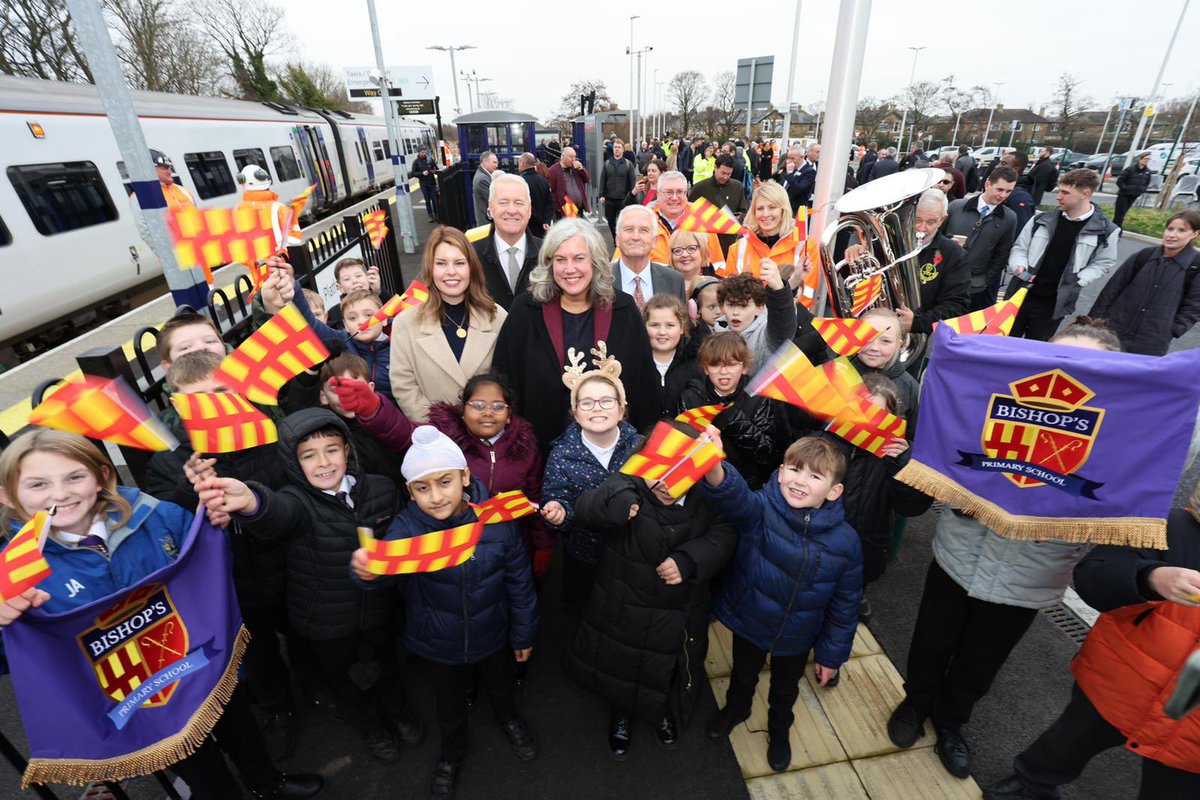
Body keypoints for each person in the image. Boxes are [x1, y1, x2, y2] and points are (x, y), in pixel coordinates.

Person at [0, 430, 324, 800]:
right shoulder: (12, 573)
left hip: (200, 662)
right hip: (137, 696)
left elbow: (209, 574)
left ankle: (268, 783)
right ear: (8, 495)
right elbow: (19, 660)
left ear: (102, 475)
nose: (60, 494)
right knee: (198, 766)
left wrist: (214, 530)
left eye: (75, 476)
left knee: (239, 724)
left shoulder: (155, 515)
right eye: (38, 484)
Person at [886, 319, 1123, 781]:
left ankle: (950, 722)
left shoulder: (1115, 439)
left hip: (1031, 575)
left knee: (981, 660)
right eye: (1059, 356)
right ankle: (914, 704)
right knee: (932, 640)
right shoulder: (1001, 403)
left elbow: (1113, 512)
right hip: (959, 555)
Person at [197, 409, 422, 765]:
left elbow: (401, 542)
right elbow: (275, 513)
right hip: (325, 621)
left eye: (331, 450)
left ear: (347, 450)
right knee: (346, 681)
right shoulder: (296, 501)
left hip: (379, 608)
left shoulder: (380, 489)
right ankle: (371, 725)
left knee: (387, 664)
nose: (323, 463)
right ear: (292, 461)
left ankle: (399, 711)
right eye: (308, 455)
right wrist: (252, 501)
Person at [349, 426, 539, 799]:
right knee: (449, 707)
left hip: (493, 632)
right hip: (439, 642)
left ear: (465, 477)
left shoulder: (497, 522)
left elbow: (520, 583)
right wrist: (368, 572)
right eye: (422, 487)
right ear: (410, 491)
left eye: (445, 482)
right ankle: (452, 753)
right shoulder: (407, 529)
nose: (435, 497)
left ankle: (509, 718)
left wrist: (524, 634)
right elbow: (383, 572)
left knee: (501, 687)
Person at [982, 483, 1200, 800]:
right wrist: (1149, 577)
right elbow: (1093, 577)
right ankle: (1031, 782)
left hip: (1191, 732)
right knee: (1069, 739)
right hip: (1119, 683)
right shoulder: (1172, 527)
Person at [145, 352, 304, 756]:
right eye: (198, 401)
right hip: (230, 586)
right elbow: (166, 531)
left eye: (220, 394)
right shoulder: (169, 461)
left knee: (304, 636)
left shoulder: (266, 434)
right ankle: (279, 709)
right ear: (178, 404)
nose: (212, 408)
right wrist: (188, 491)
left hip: (286, 566)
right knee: (258, 653)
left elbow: (294, 495)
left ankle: (318, 687)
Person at [562, 425, 736, 759]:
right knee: (619, 664)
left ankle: (660, 711)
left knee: (666, 668)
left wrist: (689, 559)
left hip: (679, 611)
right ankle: (621, 714)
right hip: (623, 604)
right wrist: (615, 504)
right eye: (661, 472)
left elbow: (724, 536)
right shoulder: (629, 485)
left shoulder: (708, 500)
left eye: (682, 473)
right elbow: (588, 507)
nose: (668, 484)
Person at [703, 434, 862, 773]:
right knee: (743, 672)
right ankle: (737, 708)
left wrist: (831, 655)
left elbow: (845, 605)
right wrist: (713, 463)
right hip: (752, 619)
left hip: (798, 635)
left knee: (785, 688)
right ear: (779, 472)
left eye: (815, 476)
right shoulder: (761, 509)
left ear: (834, 491)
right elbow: (734, 498)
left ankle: (779, 729)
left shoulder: (846, 542)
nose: (800, 481)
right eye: (794, 469)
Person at [493, 219, 660, 451]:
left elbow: (646, 385)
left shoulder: (624, 309)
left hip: (617, 454)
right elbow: (504, 380)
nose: (569, 269)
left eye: (579, 258)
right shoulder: (525, 310)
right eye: (560, 260)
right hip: (540, 451)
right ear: (549, 264)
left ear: (595, 262)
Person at [541, 350, 643, 608]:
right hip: (584, 556)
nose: (597, 408)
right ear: (575, 413)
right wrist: (559, 511)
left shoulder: (641, 448)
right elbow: (557, 496)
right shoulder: (562, 454)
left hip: (634, 555)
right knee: (583, 614)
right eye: (586, 403)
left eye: (606, 401)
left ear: (621, 410)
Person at [389, 226, 506, 422]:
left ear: (471, 268)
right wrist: (441, 429)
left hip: (490, 434)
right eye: (441, 263)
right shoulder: (405, 323)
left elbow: (510, 379)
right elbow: (404, 386)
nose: (451, 272)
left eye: (459, 263)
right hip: (436, 439)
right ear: (430, 268)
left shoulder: (497, 317)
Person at [1008, 168, 1119, 341]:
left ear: (1085, 194)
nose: (1058, 196)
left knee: (1036, 352)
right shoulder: (1041, 220)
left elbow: (1103, 263)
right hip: (1020, 295)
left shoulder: (1106, 231)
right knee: (1002, 344)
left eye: (1065, 192)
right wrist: (1019, 266)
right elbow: (1020, 248)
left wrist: (1079, 279)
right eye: (1060, 190)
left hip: (1055, 305)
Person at [678, 333, 790, 490]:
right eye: (715, 365)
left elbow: (768, 454)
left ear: (744, 367)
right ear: (705, 368)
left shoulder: (758, 396)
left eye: (731, 364)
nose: (723, 372)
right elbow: (682, 448)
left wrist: (734, 420)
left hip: (748, 486)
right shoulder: (691, 398)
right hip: (704, 486)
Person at [1088, 209, 1200, 355]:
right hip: (1113, 332)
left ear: (1194, 234)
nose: (1172, 235)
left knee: (1135, 376)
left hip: (1151, 342)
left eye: (1181, 230)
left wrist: (1171, 330)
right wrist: (1093, 321)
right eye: (1170, 229)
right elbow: (1112, 290)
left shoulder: (1195, 266)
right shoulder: (1143, 256)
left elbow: (1194, 306)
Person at [945, 166, 1019, 309]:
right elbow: (937, 236)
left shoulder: (1009, 218)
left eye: (1008, 191)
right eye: (1000, 189)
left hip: (975, 287)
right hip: (946, 279)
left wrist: (985, 281)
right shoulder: (956, 207)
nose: (1003, 195)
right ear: (987, 185)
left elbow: (1002, 254)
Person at [472, 173, 542, 310]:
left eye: (519, 203)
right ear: (490, 208)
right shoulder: (470, 255)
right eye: (503, 203)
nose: (511, 210)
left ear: (529, 210)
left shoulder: (549, 254)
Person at [713, 266, 798, 377]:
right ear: (721, 307)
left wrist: (779, 290)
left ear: (760, 308)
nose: (735, 312)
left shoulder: (767, 336)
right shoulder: (714, 333)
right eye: (730, 305)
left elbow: (782, 324)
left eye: (743, 306)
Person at [849, 308, 921, 431]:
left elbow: (917, 433)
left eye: (885, 341)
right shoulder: (836, 371)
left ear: (899, 345)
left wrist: (906, 449)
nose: (874, 347)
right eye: (868, 337)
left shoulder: (909, 386)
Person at [612, 204, 686, 310]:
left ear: (655, 241)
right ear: (617, 239)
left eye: (644, 230)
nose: (636, 237)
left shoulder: (674, 281)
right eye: (629, 229)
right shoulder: (600, 280)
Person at [644, 294, 705, 417]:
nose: (662, 332)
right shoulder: (635, 364)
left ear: (682, 327)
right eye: (655, 325)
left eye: (670, 325)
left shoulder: (697, 364)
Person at [129, 149, 197, 250]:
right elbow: (146, 232)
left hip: (199, 252)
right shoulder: (142, 196)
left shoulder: (182, 190)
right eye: (164, 168)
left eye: (170, 167)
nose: (169, 171)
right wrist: (168, 255)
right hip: (177, 257)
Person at [690, 154, 749, 254]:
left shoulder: (737, 186)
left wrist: (737, 220)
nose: (725, 177)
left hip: (729, 242)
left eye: (729, 174)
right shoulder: (699, 188)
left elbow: (743, 210)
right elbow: (689, 213)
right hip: (705, 243)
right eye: (723, 173)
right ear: (715, 168)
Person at [599, 139, 638, 238]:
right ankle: (615, 239)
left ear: (623, 149)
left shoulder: (628, 164)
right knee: (611, 222)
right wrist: (601, 195)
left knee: (623, 223)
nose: (616, 149)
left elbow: (632, 181)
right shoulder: (607, 163)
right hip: (609, 199)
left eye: (619, 147)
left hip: (623, 199)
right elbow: (602, 180)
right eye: (615, 147)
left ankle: (621, 240)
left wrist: (631, 196)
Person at [668, 229, 718, 298]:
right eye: (678, 250)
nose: (684, 255)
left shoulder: (719, 286)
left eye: (691, 248)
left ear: (702, 251)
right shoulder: (661, 285)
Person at [1114, 151, 1154, 229]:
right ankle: (1117, 229)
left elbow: (1147, 182)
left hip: (1134, 195)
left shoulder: (1147, 172)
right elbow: (1120, 181)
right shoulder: (1130, 169)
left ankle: (1115, 229)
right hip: (1124, 194)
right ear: (1140, 159)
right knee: (1119, 213)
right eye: (1145, 159)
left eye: (1149, 159)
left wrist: (1142, 190)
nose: (1147, 161)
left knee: (1124, 213)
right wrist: (1125, 188)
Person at [549, 146, 591, 219]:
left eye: (574, 157)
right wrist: (557, 207)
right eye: (571, 157)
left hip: (579, 207)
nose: (573, 160)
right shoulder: (554, 170)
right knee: (570, 229)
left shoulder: (575, 168)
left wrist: (581, 169)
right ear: (562, 156)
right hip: (566, 206)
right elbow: (551, 191)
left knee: (577, 228)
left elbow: (587, 179)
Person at [519, 152, 554, 238]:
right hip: (543, 227)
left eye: (519, 162)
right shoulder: (543, 180)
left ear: (522, 164)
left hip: (527, 227)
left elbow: (527, 205)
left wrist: (541, 221)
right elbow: (550, 203)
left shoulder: (520, 182)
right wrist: (546, 220)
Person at [413, 147, 440, 222]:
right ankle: (430, 215)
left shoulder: (430, 160)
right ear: (419, 153)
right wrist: (422, 173)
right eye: (422, 152)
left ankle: (436, 215)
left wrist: (434, 171)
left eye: (425, 152)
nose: (424, 153)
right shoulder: (416, 162)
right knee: (427, 200)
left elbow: (436, 169)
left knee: (434, 199)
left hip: (432, 183)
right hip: (424, 184)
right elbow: (413, 173)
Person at [472, 151, 499, 226]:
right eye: (494, 162)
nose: (496, 165)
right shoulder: (482, 180)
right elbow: (493, 199)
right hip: (486, 222)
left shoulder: (484, 176)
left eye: (497, 163)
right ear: (485, 162)